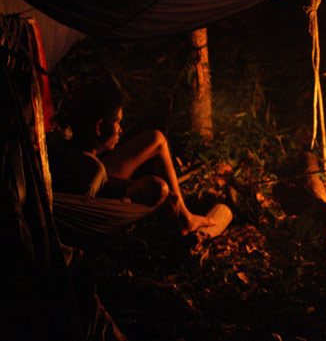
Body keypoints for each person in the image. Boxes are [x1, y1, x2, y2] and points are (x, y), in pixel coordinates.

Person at [49, 81, 227, 236]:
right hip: (96, 196)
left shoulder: (62, 139)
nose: (120, 129)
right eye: (117, 122)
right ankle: (183, 220)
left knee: (156, 139)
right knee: (158, 189)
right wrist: (129, 196)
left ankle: (185, 217)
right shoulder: (93, 173)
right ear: (99, 127)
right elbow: (87, 213)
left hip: (94, 167)